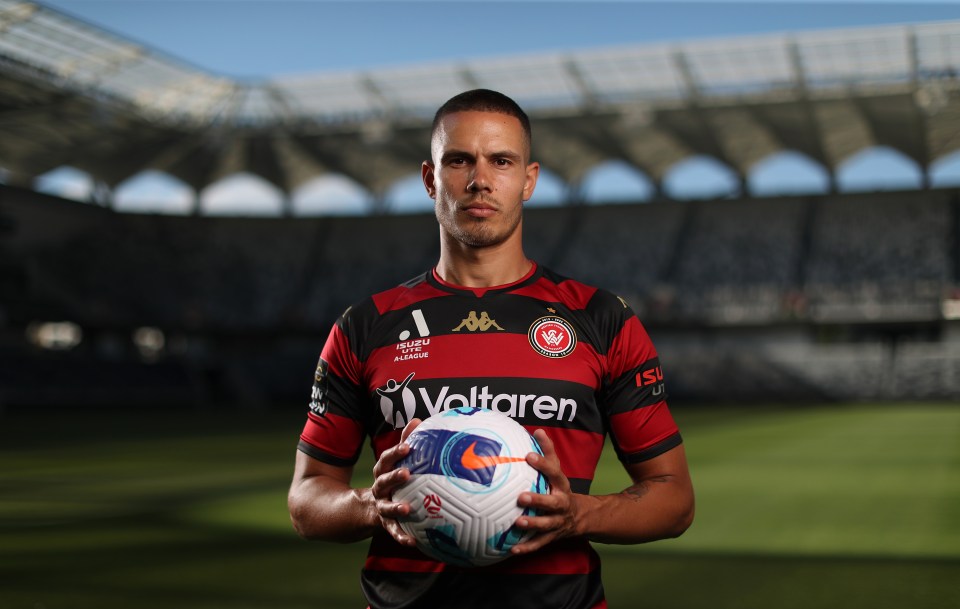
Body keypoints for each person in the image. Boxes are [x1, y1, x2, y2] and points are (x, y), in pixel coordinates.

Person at [288, 89, 694, 609]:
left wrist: (580, 514)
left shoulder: (600, 319)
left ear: (529, 179)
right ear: (430, 178)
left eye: (501, 160)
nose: (480, 180)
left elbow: (674, 498)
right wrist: (373, 506)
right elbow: (306, 500)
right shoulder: (365, 326)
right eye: (459, 160)